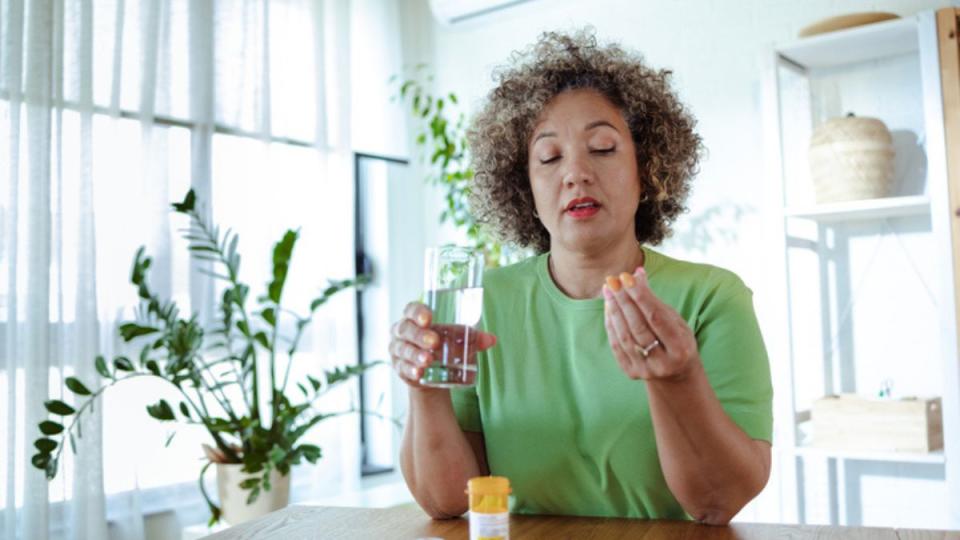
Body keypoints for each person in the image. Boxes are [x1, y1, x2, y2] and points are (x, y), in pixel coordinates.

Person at [389, 29, 772, 525]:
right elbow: (446, 501)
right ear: (523, 186)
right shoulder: (479, 304)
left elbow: (717, 503)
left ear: (648, 169)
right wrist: (425, 388)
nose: (575, 173)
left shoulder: (712, 298)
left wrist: (678, 378)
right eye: (549, 158)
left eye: (603, 148)